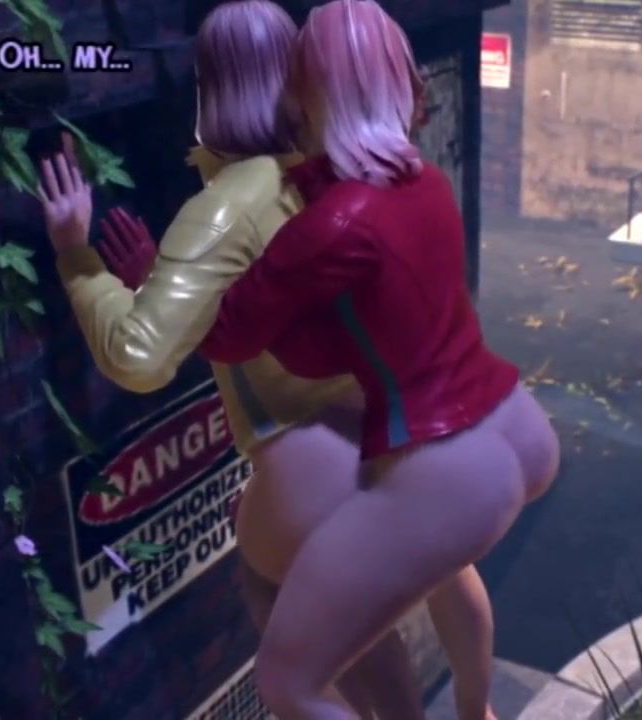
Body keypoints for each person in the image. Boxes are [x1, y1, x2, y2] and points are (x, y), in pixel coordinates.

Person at [35, 2, 425, 716]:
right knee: (364, 641)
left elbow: (137, 358)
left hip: (308, 456)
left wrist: (76, 257)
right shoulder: (332, 170)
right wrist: (171, 283)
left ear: (211, 87)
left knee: (293, 660)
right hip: (383, 437)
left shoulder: (228, 205)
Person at [192, 2, 561, 718]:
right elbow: (363, 328)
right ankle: (478, 712)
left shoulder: (329, 226)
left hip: (444, 460)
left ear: (306, 93)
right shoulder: (423, 179)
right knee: (447, 571)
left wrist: (147, 275)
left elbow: (226, 335)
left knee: (288, 683)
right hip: (515, 424)